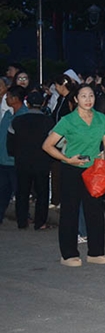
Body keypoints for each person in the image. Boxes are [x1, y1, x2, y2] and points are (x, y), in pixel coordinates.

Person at [41, 84, 105, 266]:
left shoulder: (101, 118)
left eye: (91, 96)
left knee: (95, 212)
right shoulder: (68, 120)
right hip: (72, 169)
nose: (88, 100)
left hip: (93, 170)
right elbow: (47, 145)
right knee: (70, 212)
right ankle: (68, 254)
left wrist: (104, 154)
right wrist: (67, 159)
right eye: (83, 96)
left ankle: (96, 252)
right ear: (76, 99)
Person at [9, 90, 55, 229]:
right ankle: (40, 222)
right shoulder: (48, 122)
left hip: (22, 161)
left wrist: (15, 154)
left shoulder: (17, 121)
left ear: (27, 103)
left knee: (22, 192)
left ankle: (22, 221)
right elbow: (55, 142)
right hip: (42, 162)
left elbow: (10, 143)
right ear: (43, 103)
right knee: (42, 193)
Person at [0, 86, 27, 224]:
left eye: (9, 96)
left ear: (16, 99)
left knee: (20, 192)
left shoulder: (25, 116)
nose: (6, 99)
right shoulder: (7, 114)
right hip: (3, 160)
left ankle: (23, 218)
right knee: (2, 191)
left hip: (16, 161)